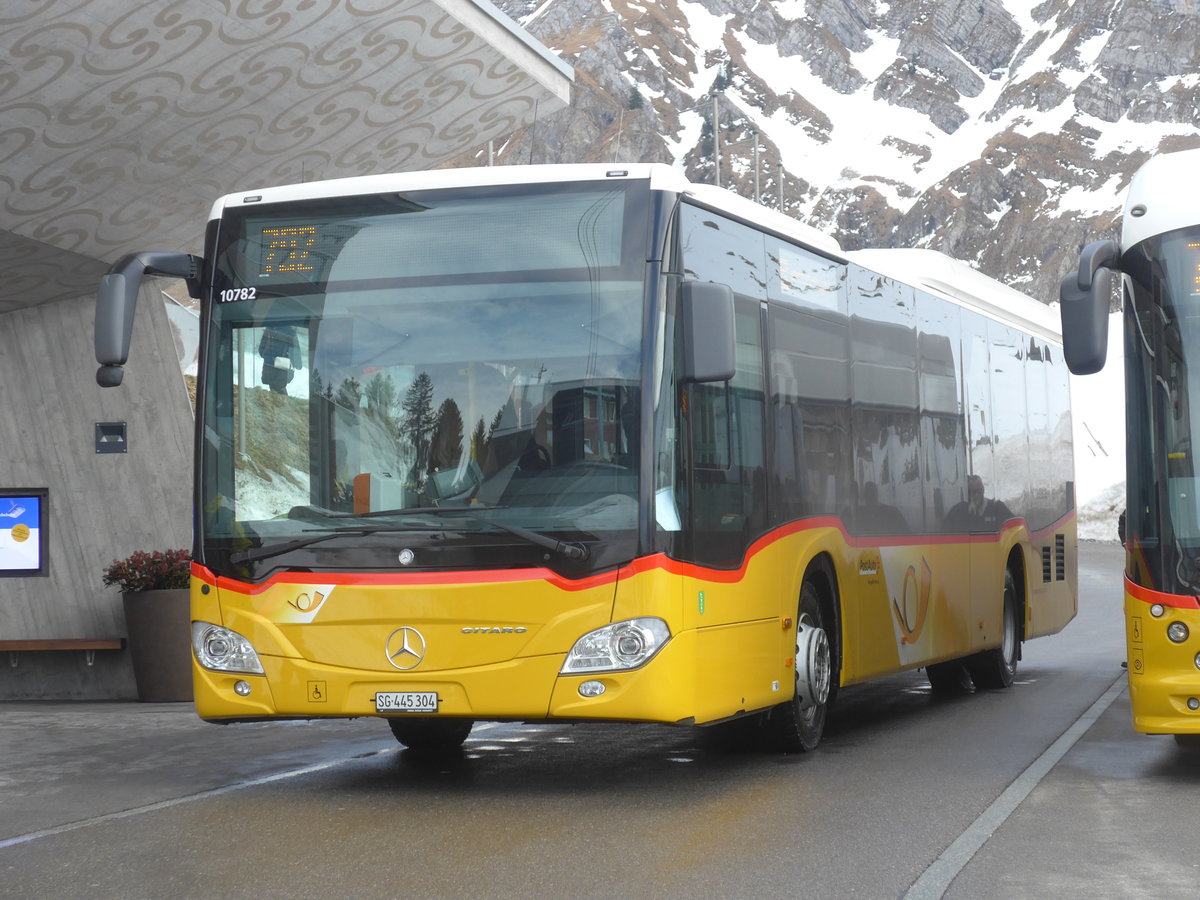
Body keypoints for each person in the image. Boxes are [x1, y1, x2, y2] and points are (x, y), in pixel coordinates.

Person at [944, 474, 1013, 532]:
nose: (977, 495)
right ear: (969, 493)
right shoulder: (958, 511)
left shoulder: (997, 508)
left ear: (983, 490)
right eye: (974, 492)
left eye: (979, 491)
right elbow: (945, 531)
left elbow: (1015, 525)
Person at [259, 325, 302, 395]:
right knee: (280, 387)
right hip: (283, 365)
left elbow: (262, 347)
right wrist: (297, 365)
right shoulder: (291, 332)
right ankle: (281, 403)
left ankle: (276, 403)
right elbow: (295, 350)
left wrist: (265, 355)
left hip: (269, 363)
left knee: (273, 386)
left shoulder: (269, 328)